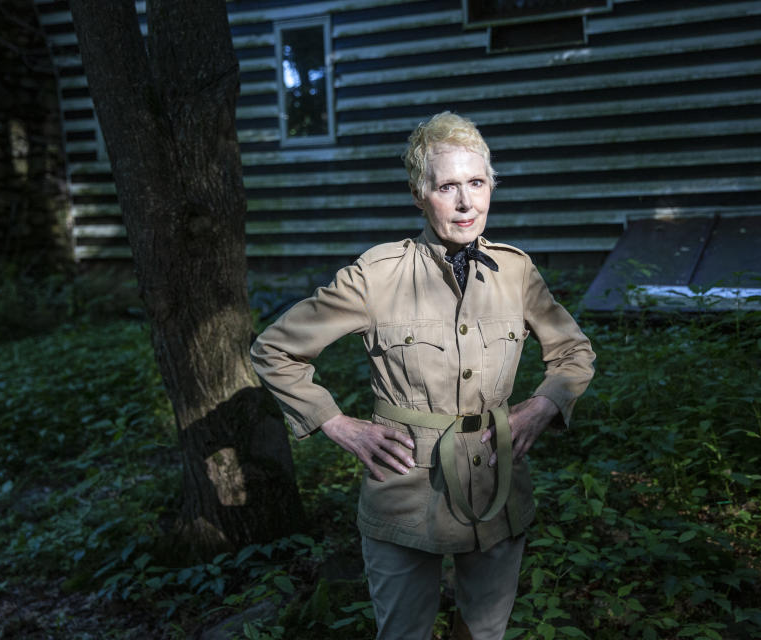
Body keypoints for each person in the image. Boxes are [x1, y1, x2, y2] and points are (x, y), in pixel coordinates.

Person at [250, 111, 595, 640]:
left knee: (483, 634)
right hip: (405, 490)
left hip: (497, 483)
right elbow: (274, 350)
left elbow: (573, 351)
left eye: (477, 183)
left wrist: (543, 404)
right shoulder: (376, 276)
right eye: (447, 186)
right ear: (419, 194)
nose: (465, 202)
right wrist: (338, 424)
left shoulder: (517, 271)